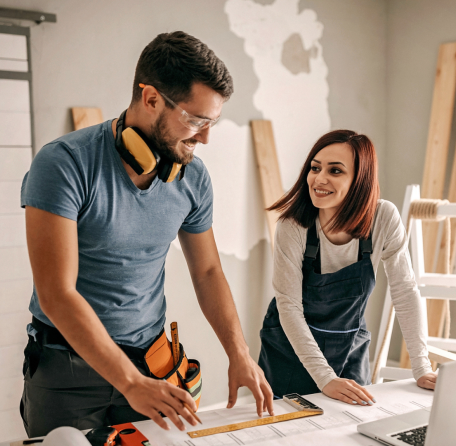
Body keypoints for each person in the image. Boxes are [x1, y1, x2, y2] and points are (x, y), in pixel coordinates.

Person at [20, 31, 273, 437]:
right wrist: (129, 382)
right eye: (194, 120)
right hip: (66, 365)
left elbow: (207, 271)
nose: (205, 137)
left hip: (151, 362)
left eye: (213, 122)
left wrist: (239, 353)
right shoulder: (64, 164)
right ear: (151, 98)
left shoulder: (192, 177)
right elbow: (56, 293)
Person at [258, 130, 437, 405]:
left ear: (360, 180)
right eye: (315, 168)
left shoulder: (383, 218)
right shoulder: (293, 227)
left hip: (350, 345)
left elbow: (404, 291)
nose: (319, 179)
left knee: (354, 424)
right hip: (291, 350)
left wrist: (421, 366)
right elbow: (289, 308)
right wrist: (325, 378)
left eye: (335, 171)